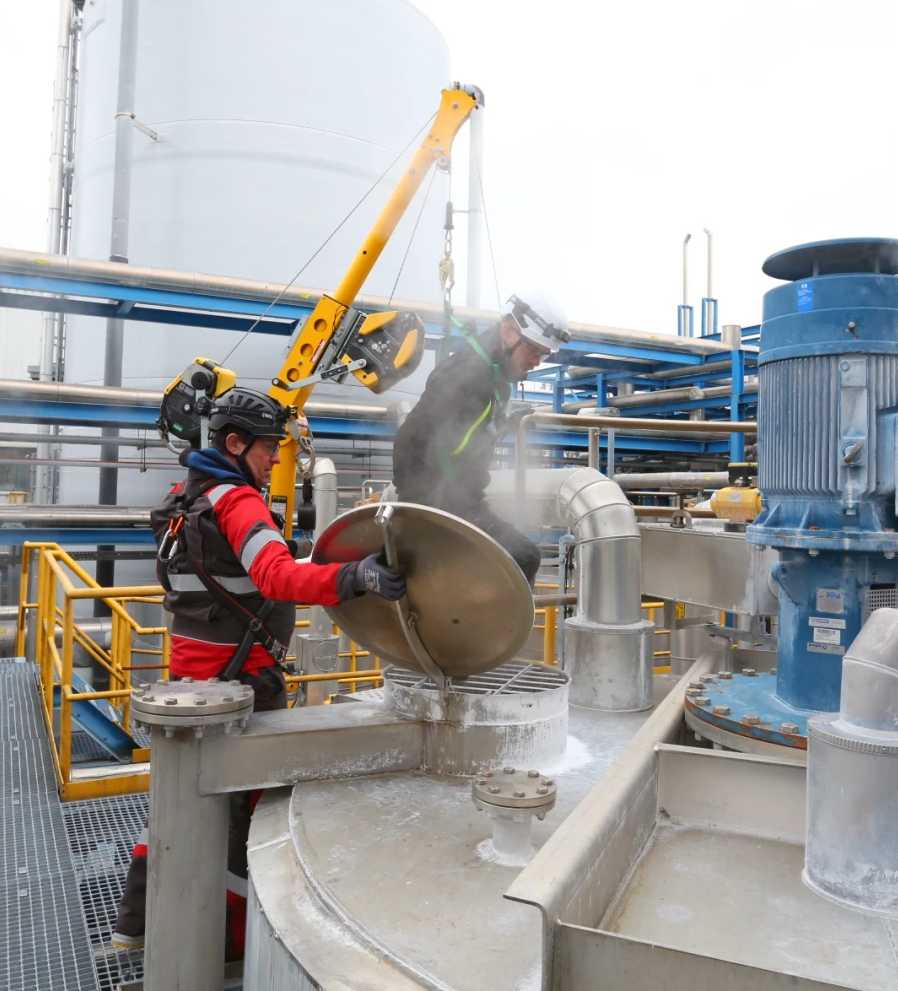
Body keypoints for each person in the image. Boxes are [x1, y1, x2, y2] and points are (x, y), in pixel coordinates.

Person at [113, 386, 404, 958]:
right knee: (247, 819)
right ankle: (235, 947)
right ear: (235, 442)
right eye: (268, 448)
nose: (276, 459)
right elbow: (275, 576)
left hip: (191, 681)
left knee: (176, 802)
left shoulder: (184, 496)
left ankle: (134, 925)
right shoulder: (237, 501)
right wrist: (356, 579)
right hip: (240, 681)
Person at [392, 291, 570, 585]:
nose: (537, 362)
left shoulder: (494, 376)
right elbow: (410, 440)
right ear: (508, 333)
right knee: (522, 558)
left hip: (461, 502)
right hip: (437, 506)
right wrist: (429, 512)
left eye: (544, 355)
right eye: (534, 351)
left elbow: (463, 440)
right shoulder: (468, 375)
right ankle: (475, 626)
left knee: (520, 559)